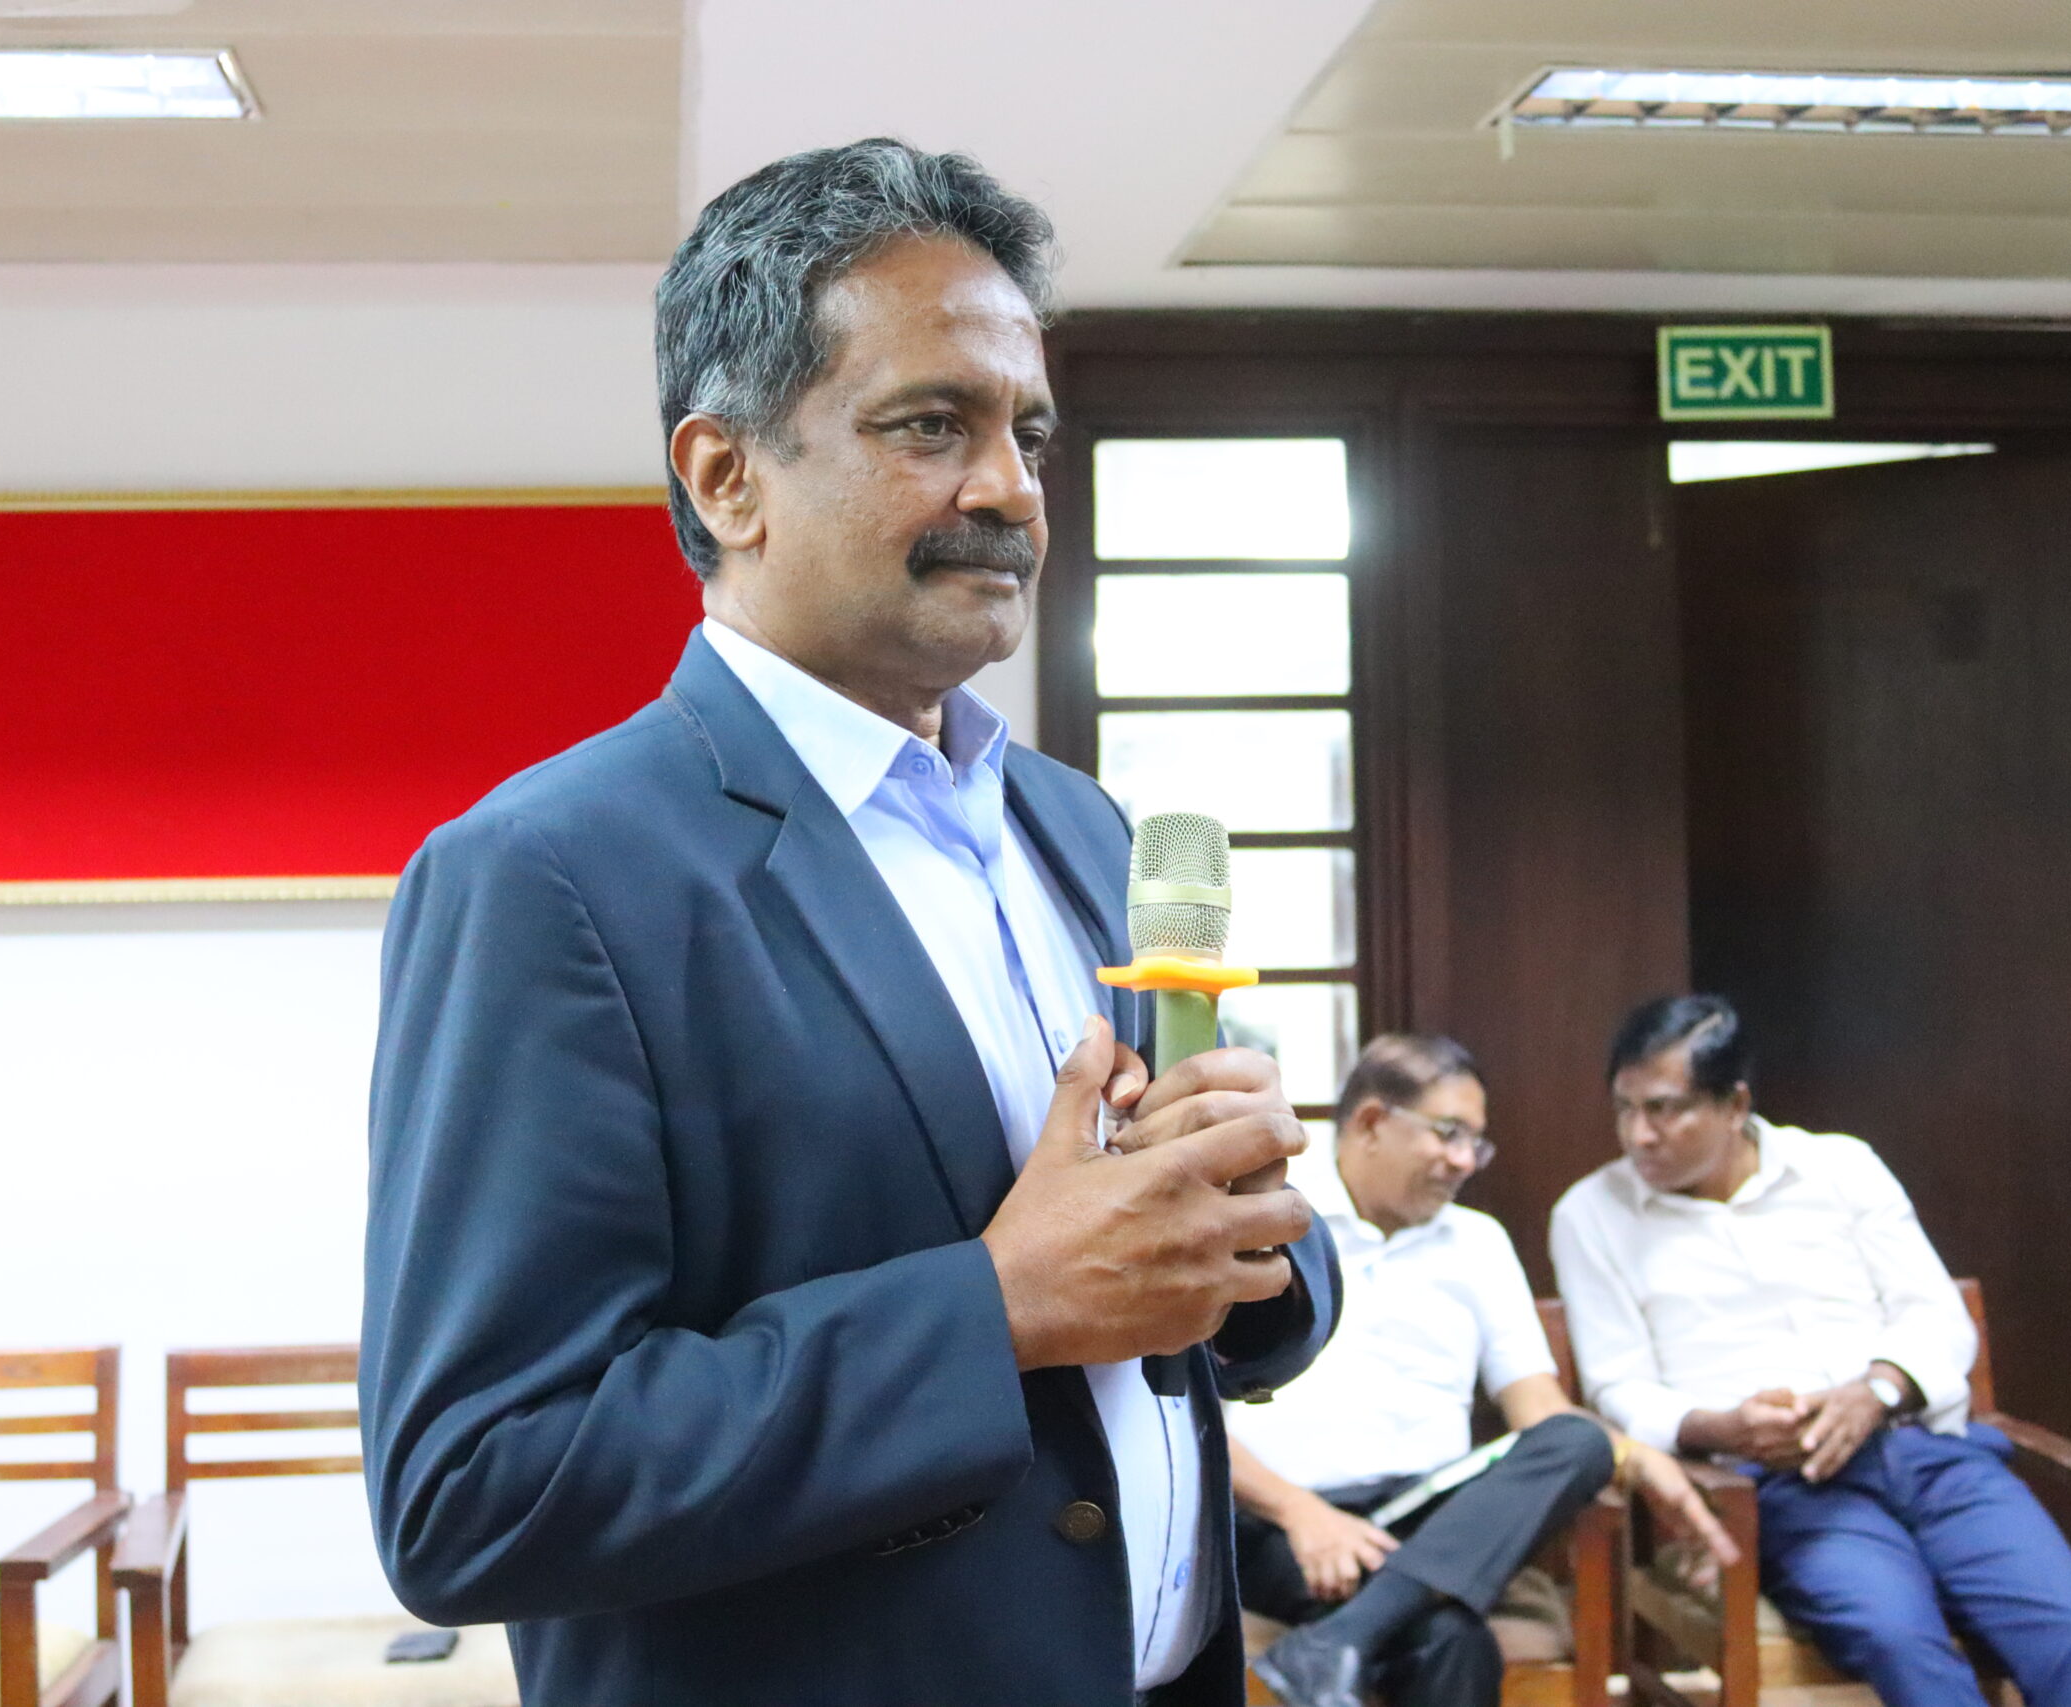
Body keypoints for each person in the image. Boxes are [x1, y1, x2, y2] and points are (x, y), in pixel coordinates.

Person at [359, 138, 1339, 1707]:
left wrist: (1257, 1237)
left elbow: (1194, 1296)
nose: (1009, 490)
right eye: (929, 425)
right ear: (724, 475)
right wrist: (994, 1308)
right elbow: (477, 1485)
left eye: (1028, 431)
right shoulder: (550, 874)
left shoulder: (1080, 828)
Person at [1550, 994, 2071, 1707]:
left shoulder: (1839, 1168)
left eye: (1665, 1110)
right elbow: (1619, 1386)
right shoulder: (1591, 1216)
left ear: (1735, 1105)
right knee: (1899, 1640)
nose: (1639, 1135)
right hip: (1782, 1485)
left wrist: (1875, 1391)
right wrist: (1724, 1428)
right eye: (1625, 1109)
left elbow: (1938, 1317)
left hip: (1927, 1454)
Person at [1236, 1036, 1735, 1707]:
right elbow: (1191, 1416)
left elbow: (1540, 1412)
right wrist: (1301, 1512)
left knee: (1579, 1439)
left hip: (1435, 1520)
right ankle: (1346, 1637)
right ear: (1372, 1122)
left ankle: (1338, 1639)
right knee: (1450, 1637)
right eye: (1449, 1133)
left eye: (1476, 1141)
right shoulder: (1270, 1219)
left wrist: (1640, 1460)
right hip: (1280, 1521)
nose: (1465, 1160)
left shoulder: (1478, 1241)